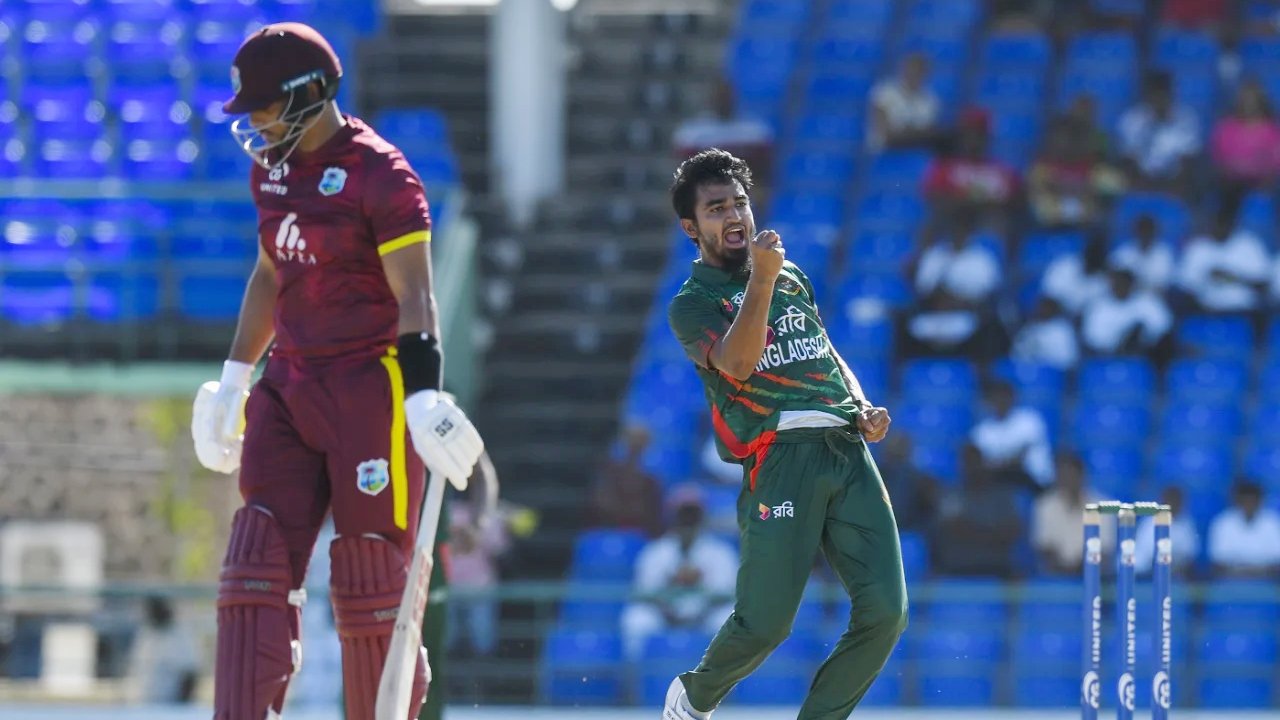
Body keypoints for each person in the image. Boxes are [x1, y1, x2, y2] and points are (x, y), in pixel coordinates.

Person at [187, 23, 484, 720]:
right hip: (289, 383)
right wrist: (235, 377)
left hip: (367, 390)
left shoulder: (382, 174)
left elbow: (416, 294)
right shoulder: (272, 168)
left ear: (310, 93)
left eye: (265, 107)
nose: (257, 124)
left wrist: (423, 393)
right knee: (254, 565)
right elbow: (271, 272)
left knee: (370, 576)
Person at [663, 149, 907, 720]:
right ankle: (693, 698)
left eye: (740, 203)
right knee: (766, 624)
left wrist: (860, 405)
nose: (734, 216)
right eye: (716, 208)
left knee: (887, 613)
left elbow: (824, 350)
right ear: (691, 228)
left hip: (845, 449)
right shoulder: (692, 304)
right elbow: (738, 364)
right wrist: (763, 278)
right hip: (780, 458)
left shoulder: (790, 275)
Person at [620, 486, 737, 661]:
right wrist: (671, 582)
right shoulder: (655, 551)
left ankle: (724, 675)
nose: (688, 520)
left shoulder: (720, 552)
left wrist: (699, 582)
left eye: (693, 515)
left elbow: (727, 593)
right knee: (637, 619)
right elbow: (643, 592)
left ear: (702, 517)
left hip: (705, 616)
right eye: (684, 514)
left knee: (726, 617)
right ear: (673, 517)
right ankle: (637, 674)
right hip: (664, 616)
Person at [1032, 453, 1111, 575]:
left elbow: (1104, 550)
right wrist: (1065, 569)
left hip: (1091, 574)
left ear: (1082, 475)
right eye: (1063, 475)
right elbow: (1044, 547)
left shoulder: (1102, 507)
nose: (1068, 480)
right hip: (1055, 575)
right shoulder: (1044, 505)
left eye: (1071, 475)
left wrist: (1080, 567)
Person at [588, 424, 665, 537]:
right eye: (632, 442)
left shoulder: (652, 480)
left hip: (642, 533)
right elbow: (602, 504)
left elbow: (653, 513)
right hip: (611, 530)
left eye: (640, 443)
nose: (635, 446)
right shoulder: (609, 472)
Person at [866, 53, 941, 153]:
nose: (914, 75)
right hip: (886, 153)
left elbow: (930, 133)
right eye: (911, 70)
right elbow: (883, 132)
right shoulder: (884, 93)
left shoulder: (931, 100)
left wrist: (905, 132)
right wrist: (914, 132)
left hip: (916, 152)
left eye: (919, 72)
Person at [1207, 480, 1280, 578]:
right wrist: (1244, 570)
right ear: (1237, 501)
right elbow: (1218, 560)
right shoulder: (1223, 522)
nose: (1249, 505)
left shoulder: (1273, 522)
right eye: (1245, 501)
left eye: (1253, 501)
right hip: (1231, 578)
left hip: (1266, 577)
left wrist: (1255, 570)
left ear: (1261, 501)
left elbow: (1277, 560)